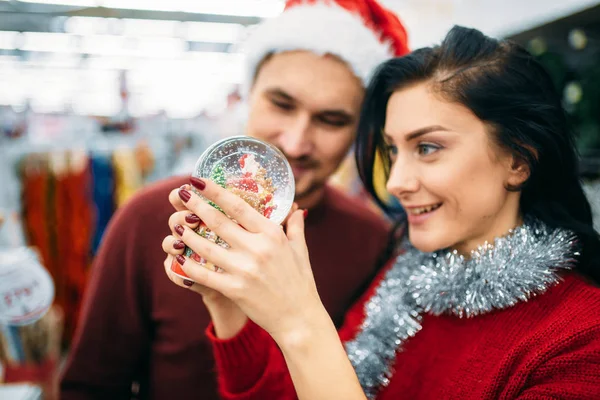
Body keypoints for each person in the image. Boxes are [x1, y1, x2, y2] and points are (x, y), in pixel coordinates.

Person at [162, 26, 600, 399]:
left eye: (428, 147)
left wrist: (300, 322)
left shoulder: (580, 340)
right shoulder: (403, 281)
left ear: (518, 161)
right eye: (393, 150)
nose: (395, 182)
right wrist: (225, 302)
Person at [59, 1, 409, 399]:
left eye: (332, 120)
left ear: (359, 133)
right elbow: (90, 387)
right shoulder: (148, 217)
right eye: (281, 104)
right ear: (248, 95)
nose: (295, 143)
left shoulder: (371, 242)